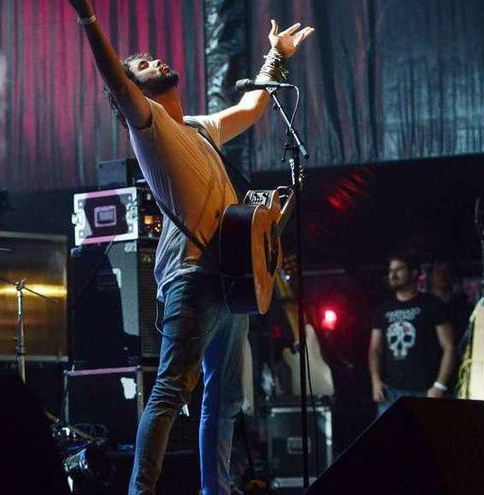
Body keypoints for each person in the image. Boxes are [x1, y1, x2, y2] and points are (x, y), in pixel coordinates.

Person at [65, 1, 314, 493]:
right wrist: (88, 18)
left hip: (231, 281)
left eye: (151, 58)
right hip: (192, 280)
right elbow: (114, 78)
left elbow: (251, 107)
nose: (154, 61)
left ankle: (214, 490)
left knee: (224, 403)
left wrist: (275, 57)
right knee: (169, 393)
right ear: (134, 90)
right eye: (141, 66)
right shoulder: (149, 127)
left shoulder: (198, 127)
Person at [369, 254, 456, 416]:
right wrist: (375, 381)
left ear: (414, 272)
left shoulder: (432, 305)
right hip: (391, 392)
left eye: (399, 269)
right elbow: (375, 349)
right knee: (390, 440)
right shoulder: (383, 309)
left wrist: (440, 385)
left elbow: (449, 346)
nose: (393, 275)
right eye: (390, 271)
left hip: (426, 391)